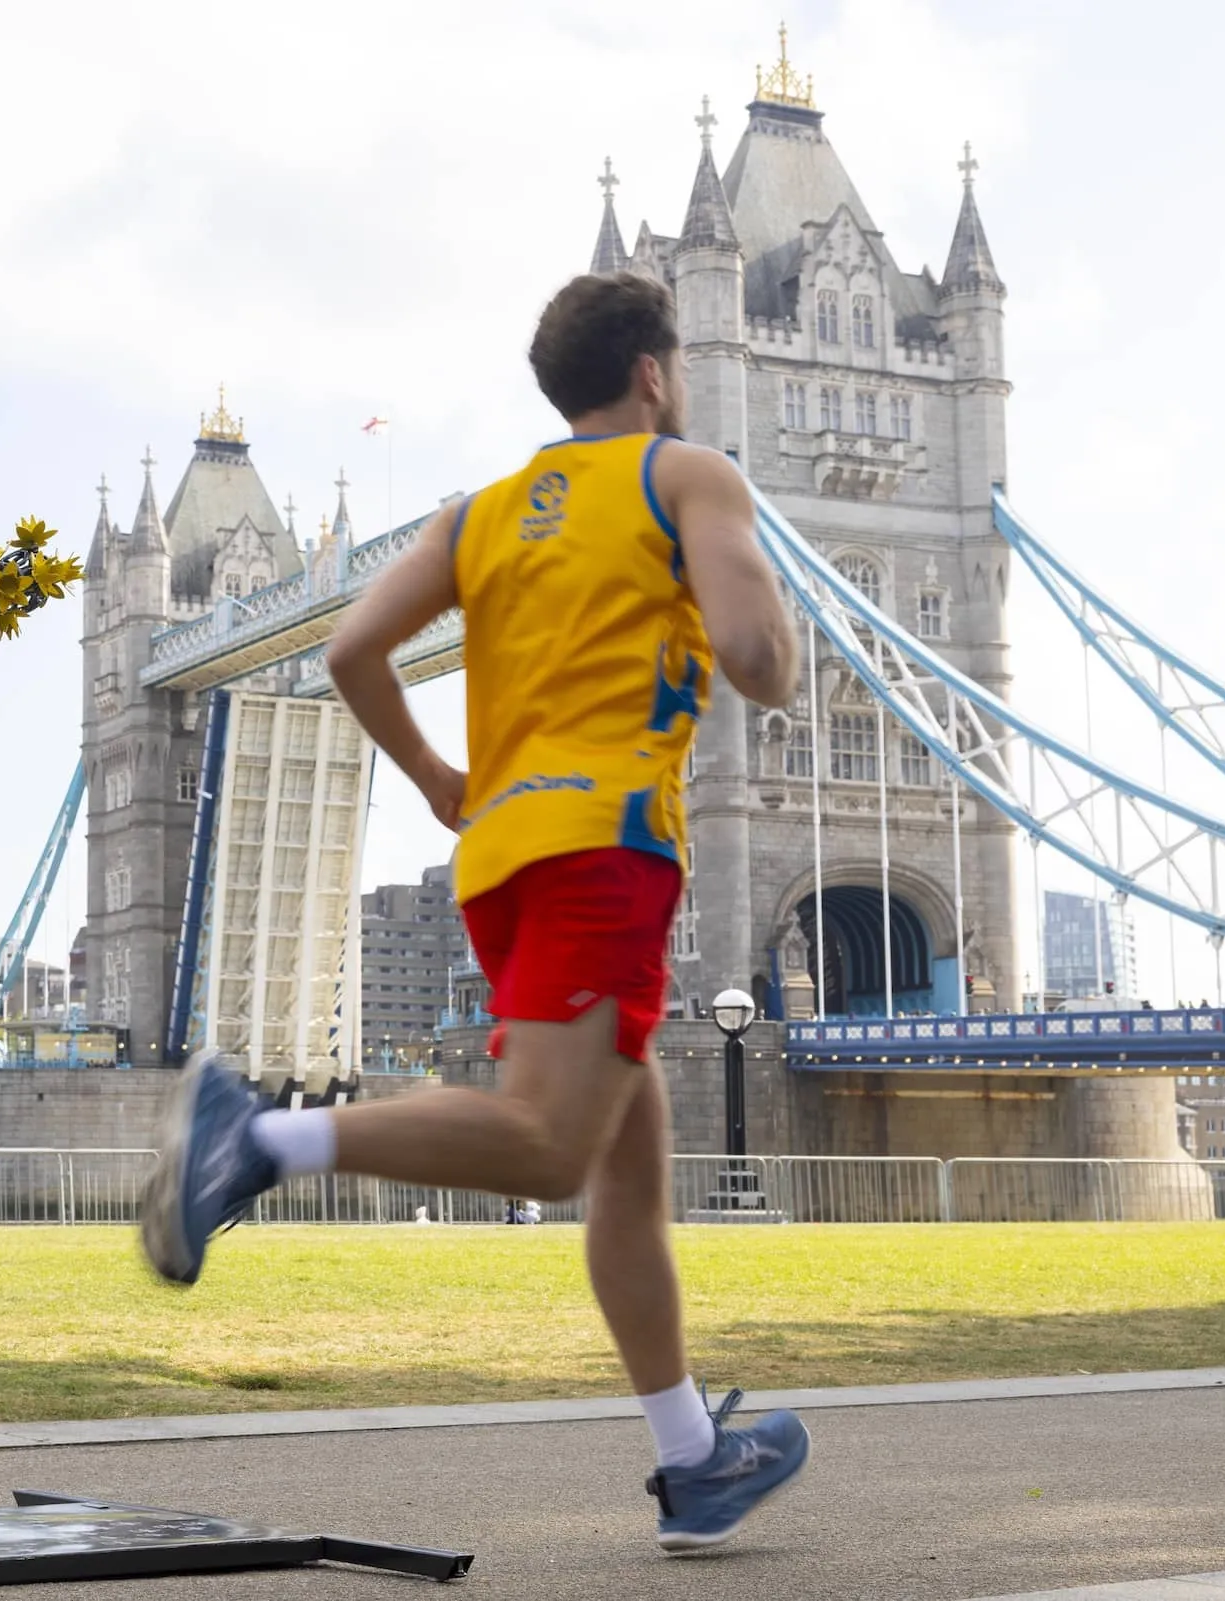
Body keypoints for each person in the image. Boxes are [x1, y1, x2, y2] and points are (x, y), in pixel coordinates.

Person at [141, 272, 810, 1554]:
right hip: (607, 846)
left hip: (501, 857)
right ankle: (263, 1141)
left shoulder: (479, 515)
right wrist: (772, 627)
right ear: (657, 374)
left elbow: (348, 654)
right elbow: (758, 660)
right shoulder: (690, 477)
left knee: (627, 1164)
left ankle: (695, 1459)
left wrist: (444, 781)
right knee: (555, 1147)